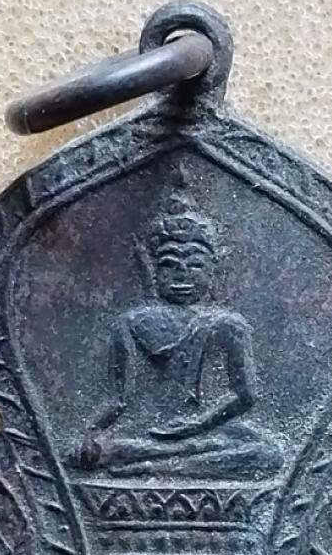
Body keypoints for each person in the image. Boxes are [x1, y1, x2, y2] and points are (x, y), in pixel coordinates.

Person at [79, 205, 282, 480]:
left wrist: (198, 424)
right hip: (145, 431)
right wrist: (91, 431)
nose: (182, 274)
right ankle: (168, 459)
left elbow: (245, 395)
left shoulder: (228, 324)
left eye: (196, 265)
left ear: (214, 269)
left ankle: (154, 468)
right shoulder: (132, 322)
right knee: (91, 453)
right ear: (152, 270)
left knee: (267, 455)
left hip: (207, 429)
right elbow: (118, 398)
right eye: (169, 264)